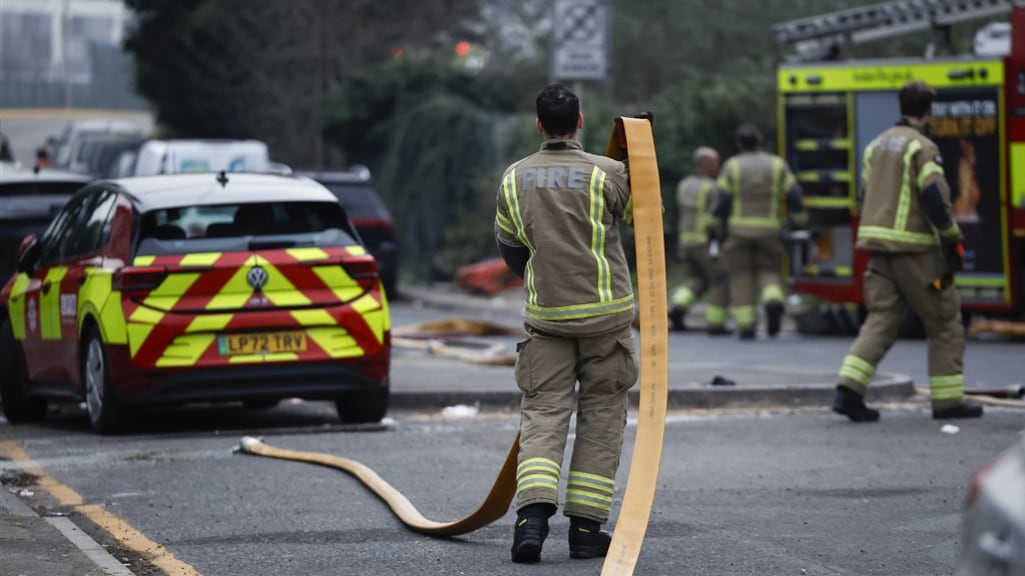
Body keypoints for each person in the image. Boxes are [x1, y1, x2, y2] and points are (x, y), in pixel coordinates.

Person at [494, 83, 639, 563]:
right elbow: (648, 222)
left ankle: (529, 523)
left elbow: (511, 248)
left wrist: (543, 281)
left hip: (547, 319)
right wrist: (641, 160)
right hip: (606, 319)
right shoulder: (609, 173)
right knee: (601, 418)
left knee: (544, 416)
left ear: (538, 125)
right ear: (580, 122)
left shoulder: (514, 178)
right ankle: (585, 531)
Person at [833, 80, 983, 422]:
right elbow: (933, 196)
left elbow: (867, 192)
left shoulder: (876, 145)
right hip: (919, 256)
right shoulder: (923, 148)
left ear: (901, 106)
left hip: (879, 253)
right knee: (944, 319)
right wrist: (951, 238)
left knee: (881, 319)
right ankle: (948, 403)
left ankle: (848, 390)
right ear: (929, 110)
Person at [714, 124, 807, 339]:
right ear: (759, 141)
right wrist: (800, 219)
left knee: (741, 275)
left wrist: (715, 224)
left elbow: (722, 201)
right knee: (769, 272)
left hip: (738, 230)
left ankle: (746, 326)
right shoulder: (776, 164)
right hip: (770, 229)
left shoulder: (732, 166)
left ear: (739, 144)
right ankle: (773, 300)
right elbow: (794, 195)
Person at [668, 146, 729, 334]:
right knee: (720, 279)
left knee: (698, 279)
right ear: (704, 164)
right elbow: (716, 216)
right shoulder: (712, 187)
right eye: (715, 162)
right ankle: (716, 324)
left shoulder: (685, 184)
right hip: (704, 241)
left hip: (686, 242)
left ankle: (677, 308)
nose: (718, 166)